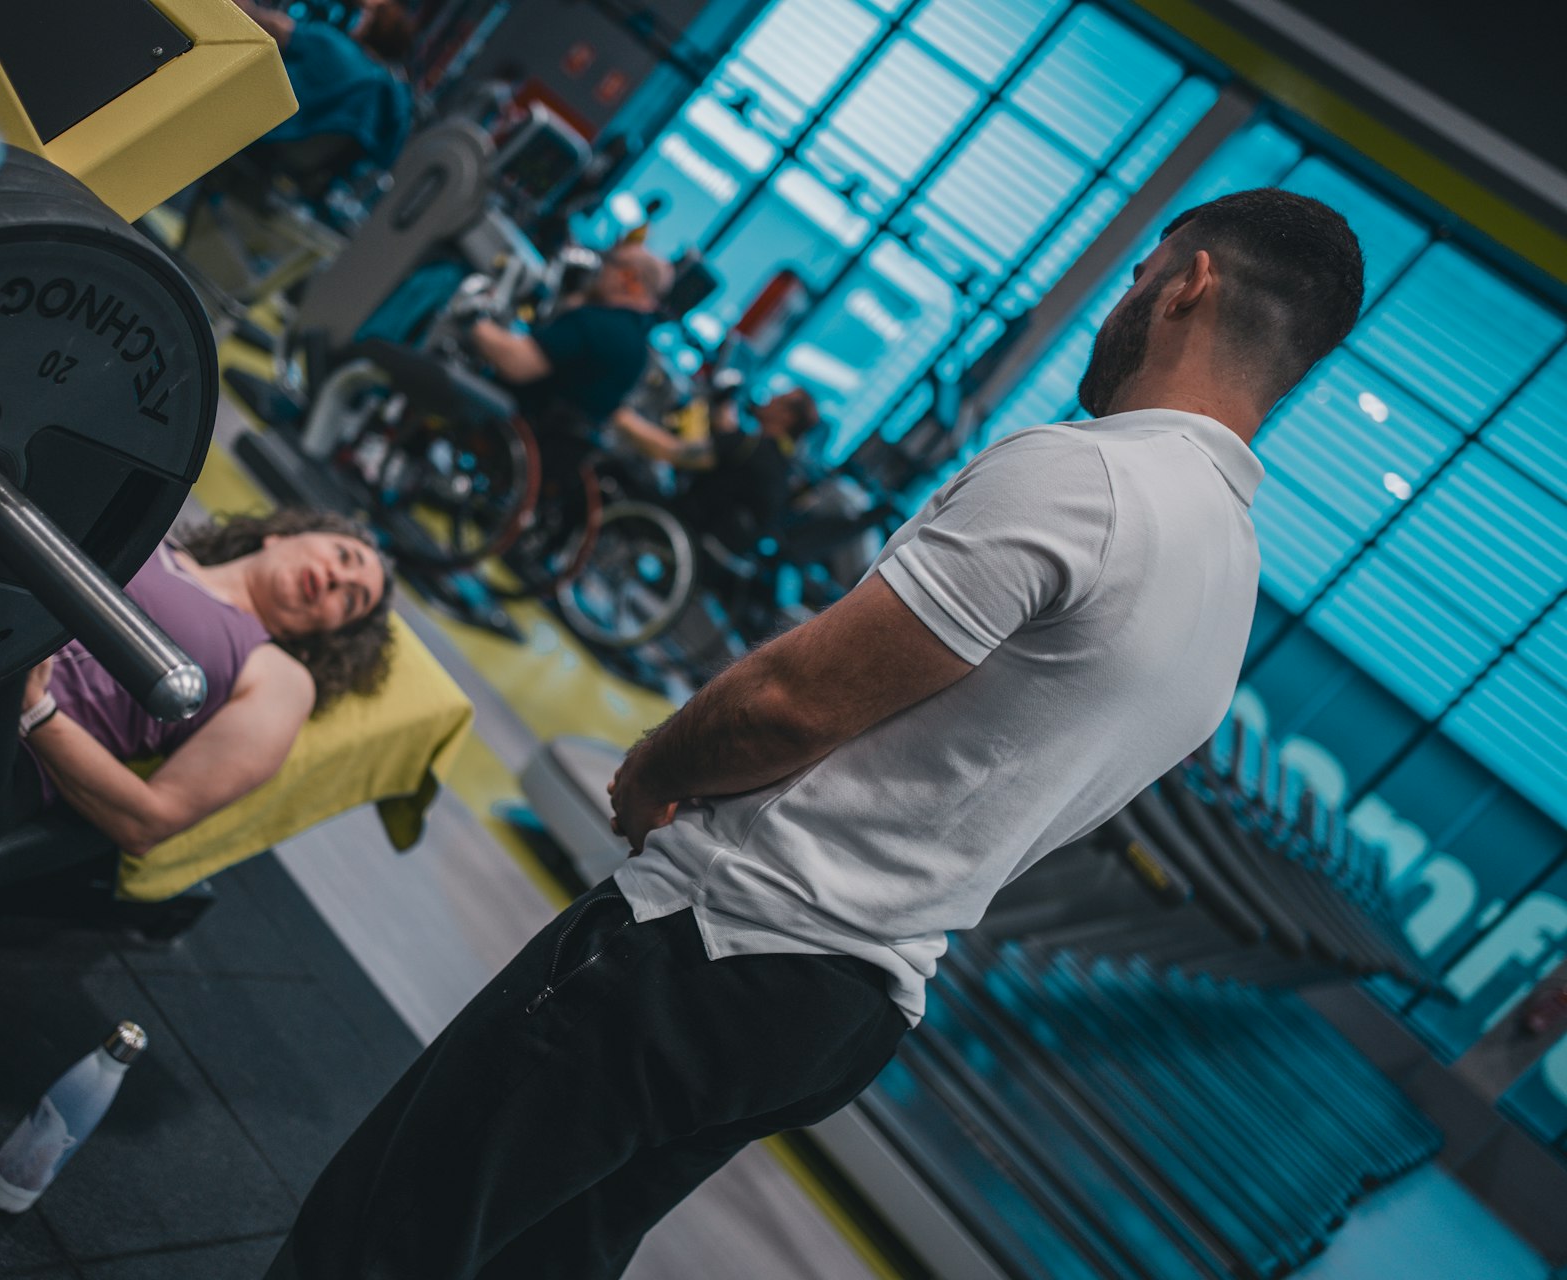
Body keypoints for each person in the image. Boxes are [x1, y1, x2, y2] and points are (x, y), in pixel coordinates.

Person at [263, 187, 1366, 1279]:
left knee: (377, 1238)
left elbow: (797, 696)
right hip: (840, 1011)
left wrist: (653, 765)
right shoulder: (1231, 589)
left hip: (715, 942)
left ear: (1191, 282)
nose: (1118, 304)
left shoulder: (1091, 474)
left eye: (1136, 278)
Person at [0, 509, 392, 869]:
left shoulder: (278, 674)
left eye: (349, 601)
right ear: (284, 533)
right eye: (344, 557)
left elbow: (150, 820)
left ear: (317, 635)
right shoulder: (156, 529)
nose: (339, 580)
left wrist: (37, 708)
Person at [465, 243, 672, 432]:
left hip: (505, 424)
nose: (601, 271)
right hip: (552, 450)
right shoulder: (639, 350)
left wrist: (471, 316)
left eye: (610, 262)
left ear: (630, 279)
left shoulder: (596, 323)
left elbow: (516, 363)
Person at [613, 385, 821, 554]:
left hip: (680, 529)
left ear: (786, 417)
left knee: (611, 470)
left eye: (779, 398)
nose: (771, 398)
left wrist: (622, 416)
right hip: (710, 549)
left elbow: (672, 452)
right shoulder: (782, 465)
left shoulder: (751, 445)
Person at [234, 0, 417, 173]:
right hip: (303, 161)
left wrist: (247, 9)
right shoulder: (383, 88)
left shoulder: (335, 46)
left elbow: (275, 27)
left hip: (265, 132)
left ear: (370, 24)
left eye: (366, 15)